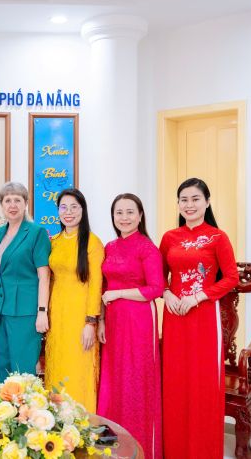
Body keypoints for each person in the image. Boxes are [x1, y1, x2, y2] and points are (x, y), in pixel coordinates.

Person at [160, 178, 238, 459]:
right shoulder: (169, 237)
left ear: (207, 202)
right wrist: (167, 293)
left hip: (203, 317)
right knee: (175, 381)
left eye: (195, 199)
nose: (189, 205)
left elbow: (231, 278)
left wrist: (198, 297)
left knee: (203, 383)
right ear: (178, 204)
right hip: (174, 317)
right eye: (184, 199)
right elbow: (159, 276)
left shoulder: (218, 237)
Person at [97, 193, 164, 459]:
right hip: (113, 321)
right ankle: (110, 446)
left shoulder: (147, 248)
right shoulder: (110, 247)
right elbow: (103, 287)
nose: (124, 218)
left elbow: (156, 288)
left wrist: (119, 293)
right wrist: (101, 320)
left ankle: (140, 446)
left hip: (139, 321)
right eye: (119, 213)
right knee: (113, 379)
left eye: (129, 212)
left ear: (140, 215)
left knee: (135, 380)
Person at [44, 188, 104, 411]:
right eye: (63, 207)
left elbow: (96, 284)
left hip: (80, 316)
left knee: (79, 368)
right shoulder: (54, 241)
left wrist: (91, 322)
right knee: (57, 365)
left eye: (74, 207)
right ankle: (57, 421)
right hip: (57, 315)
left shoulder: (92, 242)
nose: (68, 212)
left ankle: (82, 421)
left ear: (83, 210)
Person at [0, 182, 51, 382]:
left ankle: (25, 404)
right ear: (2, 205)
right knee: (4, 369)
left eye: (17, 200)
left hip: (25, 310)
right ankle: (5, 404)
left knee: (22, 370)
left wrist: (42, 311)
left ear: (26, 204)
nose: (12, 205)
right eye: (8, 200)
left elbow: (44, 276)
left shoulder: (36, 232)